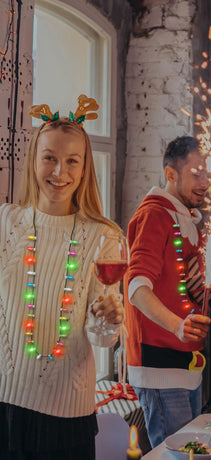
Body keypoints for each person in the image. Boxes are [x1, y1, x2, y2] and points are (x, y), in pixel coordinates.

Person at [0, 96, 124, 460]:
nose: (60, 172)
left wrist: (108, 319)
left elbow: (102, 339)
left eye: (72, 161)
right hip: (4, 406)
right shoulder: (6, 223)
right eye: (49, 158)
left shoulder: (105, 236)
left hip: (66, 414)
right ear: (33, 161)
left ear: (84, 169)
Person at [124, 136, 211, 448]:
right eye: (196, 173)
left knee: (191, 452)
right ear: (171, 174)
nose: (205, 183)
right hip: (159, 365)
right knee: (176, 453)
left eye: (208, 174)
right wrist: (178, 326)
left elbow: (184, 294)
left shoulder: (188, 222)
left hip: (187, 361)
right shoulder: (153, 215)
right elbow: (136, 287)